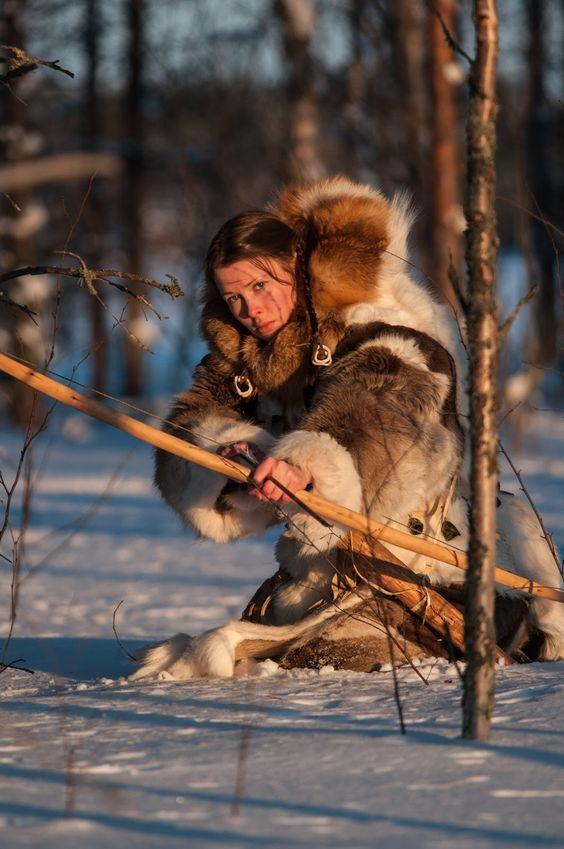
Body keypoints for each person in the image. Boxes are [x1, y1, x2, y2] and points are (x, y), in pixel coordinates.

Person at [141, 176, 563, 679]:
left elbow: (376, 405)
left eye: (261, 286)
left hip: (434, 566)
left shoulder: (380, 325)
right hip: (325, 574)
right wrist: (229, 454)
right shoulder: (248, 356)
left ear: (298, 271)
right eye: (232, 297)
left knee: (322, 665)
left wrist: (305, 465)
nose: (250, 309)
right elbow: (189, 427)